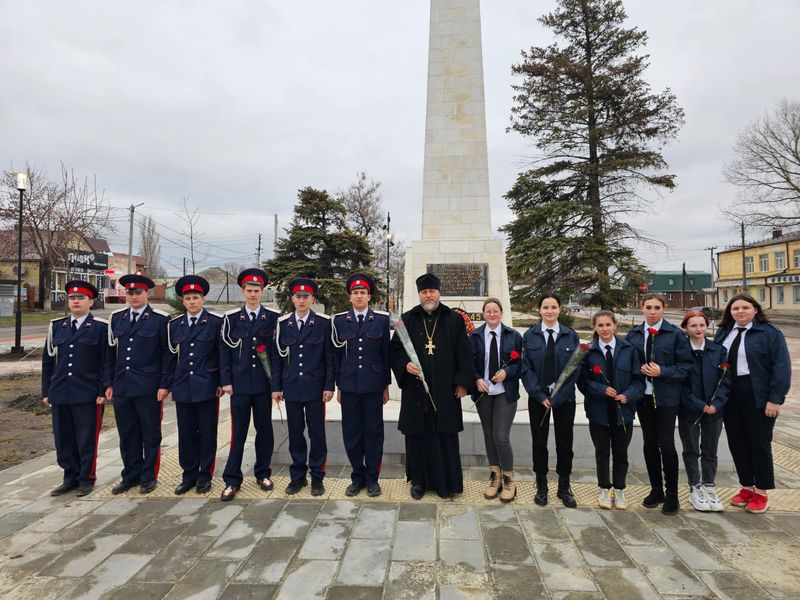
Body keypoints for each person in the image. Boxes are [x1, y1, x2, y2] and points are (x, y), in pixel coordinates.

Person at [389, 273, 474, 500]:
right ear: (419, 294)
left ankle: (447, 483)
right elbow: (394, 350)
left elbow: (464, 353)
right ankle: (418, 482)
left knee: (445, 436)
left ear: (438, 293)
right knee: (418, 437)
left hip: (446, 390)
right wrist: (404, 365)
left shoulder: (453, 319)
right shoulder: (407, 319)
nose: (428, 295)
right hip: (415, 390)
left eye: (432, 291)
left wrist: (462, 383)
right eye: (424, 292)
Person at [714, 293, 791, 514]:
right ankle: (747, 486)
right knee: (737, 442)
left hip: (757, 394)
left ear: (755, 310)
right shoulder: (724, 332)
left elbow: (781, 367)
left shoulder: (770, 333)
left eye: (745, 307)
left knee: (759, 443)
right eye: (735, 308)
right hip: (730, 394)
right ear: (730, 312)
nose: (740, 312)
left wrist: (775, 399)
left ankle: (762, 492)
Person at [625, 293, 692, 515]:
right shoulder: (634, 334)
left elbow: (686, 367)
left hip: (666, 398)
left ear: (663, 309)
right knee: (649, 443)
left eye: (657, 307)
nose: (653, 312)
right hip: (643, 397)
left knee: (667, 444)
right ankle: (656, 489)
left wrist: (662, 371)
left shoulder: (675, 334)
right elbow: (627, 361)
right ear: (641, 309)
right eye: (648, 307)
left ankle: (672, 494)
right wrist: (637, 369)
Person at [105, 273, 171, 495]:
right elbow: (110, 354)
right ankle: (130, 475)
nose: (134, 297)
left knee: (150, 434)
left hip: (148, 386)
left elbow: (166, 355)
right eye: (130, 293)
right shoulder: (117, 318)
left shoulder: (160, 319)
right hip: (122, 385)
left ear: (147, 294)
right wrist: (109, 382)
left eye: (138, 293)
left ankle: (149, 476)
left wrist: (164, 384)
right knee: (127, 434)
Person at [42, 280, 108, 497]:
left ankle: (86, 478)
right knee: (63, 438)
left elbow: (106, 362)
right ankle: (69, 477)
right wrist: (46, 391)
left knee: (86, 437)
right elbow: (48, 361)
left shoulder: (100, 327)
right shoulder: (56, 326)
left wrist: (103, 390)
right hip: (60, 391)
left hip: (88, 392)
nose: (76, 301)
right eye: (72, 298)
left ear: (91, 301)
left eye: (81, 298)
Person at [219, 268, 280, 501]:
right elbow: (224, 351)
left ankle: (263, 473)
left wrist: (276, 385)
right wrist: (226, 381)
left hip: (263, 385)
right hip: (240, 385)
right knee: (239, 432)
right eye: (249, 290)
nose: (253, 294)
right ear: (243, 292)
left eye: (257, 290)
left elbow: (276, 355)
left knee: (264, 431)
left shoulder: (273, 318)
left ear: (262, 292)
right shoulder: (231, 319)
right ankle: (232, 479)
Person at [272, 277, 335, 496]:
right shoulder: (283, 324)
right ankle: (297, 476)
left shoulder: (323, 323)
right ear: (292, 298)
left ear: (312, 299)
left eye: (305, 296)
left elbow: (329, 358)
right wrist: (276, 387)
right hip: (291, 387)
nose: (301, 300)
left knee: (317, 433)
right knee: (295, 433)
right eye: (298, 296)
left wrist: (329, 386)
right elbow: (277, 358)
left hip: (315, 388)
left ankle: (317, 476)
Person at [332, 273, 391, 497]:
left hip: (373, 386)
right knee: (352, 433)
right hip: (349, 387)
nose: (359, 296)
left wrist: (386, 386)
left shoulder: (381, 320)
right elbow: (336, 357)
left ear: (369, 296)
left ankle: (372, 479)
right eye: (355, 293)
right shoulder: (339, 321)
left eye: (362, 292)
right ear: (350, 297)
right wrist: (339, 386)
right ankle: (357, 477)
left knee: (373, 433)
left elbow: (385, 355)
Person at [578, 310, 643, 510]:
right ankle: (604, 488)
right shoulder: (587, 351)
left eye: (608, 324)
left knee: (621, 452)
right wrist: (601, 389)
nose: (605, 329)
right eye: (600, 325)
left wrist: (628, 395)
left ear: (615, 325)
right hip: (598, 411)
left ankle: (620, 489)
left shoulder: (629, 350)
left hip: (623, 411)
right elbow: (582, 381)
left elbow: (638, 381)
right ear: (594, 328)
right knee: (602, 452)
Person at [521, 292, 582, 507]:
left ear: (560, 309)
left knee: (565, 443)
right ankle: (542, 485)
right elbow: (525, 369)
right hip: (538, 399)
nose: (549, 311)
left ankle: (564, 486)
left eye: (553, 307)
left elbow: (575, 369)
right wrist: (539, 395)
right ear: (539, 310)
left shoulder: (570, 336)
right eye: (545, 307)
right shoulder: (529, 336)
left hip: (564, 399)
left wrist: (558, 396)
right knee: (539, 442)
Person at [167, 275, 224, 495]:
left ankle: (204, 475)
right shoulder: (174, 325)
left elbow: (221, 355)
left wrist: (221, 382)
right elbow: (170, 358)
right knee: (186, 433)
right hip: (182, 386)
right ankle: (188, 475)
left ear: (203, 300)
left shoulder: (215, 323)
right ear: (183, 301)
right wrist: (169, 384)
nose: (192, 302)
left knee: (207, 432)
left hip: (207, 386)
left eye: (196, 297)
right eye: (188, 298)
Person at [470, 297, 523, 502]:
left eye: (495, 311)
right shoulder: (474, 336)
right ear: (483, 314)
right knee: (489, 435)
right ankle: (495, 477)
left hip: (504, 393)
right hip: (484, 393)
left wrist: (507, 372)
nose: (492, 314)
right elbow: (468, 363)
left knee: (501, 436)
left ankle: (509, 478)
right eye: (488, 311)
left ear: (501, 313)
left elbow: (521, 364)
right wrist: (476, 379)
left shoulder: (513, 336)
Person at [678, 310, 730, 512]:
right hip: (689, 409)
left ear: (707, 326)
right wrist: (698, 404)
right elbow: (679, 382)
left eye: (701, 325)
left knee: (710, 449)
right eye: (693, 325)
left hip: (714, 410)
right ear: (686, 328)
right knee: (691, 449)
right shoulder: (681, 350)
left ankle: (709, 486)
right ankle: (695, 487)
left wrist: (717, 402)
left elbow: (725, 380)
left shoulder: (718, 350)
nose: (698, 329)